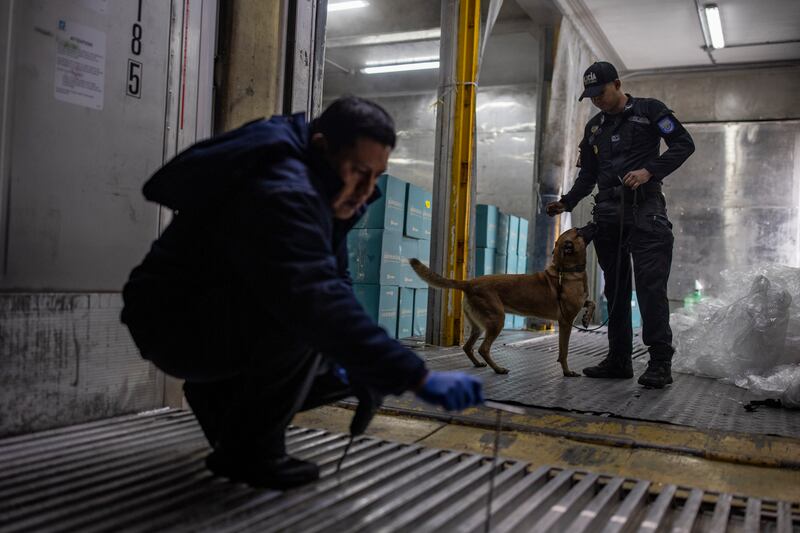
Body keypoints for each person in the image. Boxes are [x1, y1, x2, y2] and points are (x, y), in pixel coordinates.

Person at [121, 96, 484, 489]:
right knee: (304, 323)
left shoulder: (327, 191)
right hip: (173, 324)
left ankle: (220, 400)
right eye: (359, 171)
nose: (367, 190)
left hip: (216, 313)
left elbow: (338, 281)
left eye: (377, 176)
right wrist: (417, 377)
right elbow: (315, 298)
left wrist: (370, 361)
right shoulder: (281, 189)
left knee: (350, 365)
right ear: (322, 147)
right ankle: (248, 453)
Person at [546, 61, 695, 389]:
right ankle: (619, 360)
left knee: (650, 288)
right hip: (609, 215)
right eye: (591, 96)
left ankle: (659, 363)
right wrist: (567, 202)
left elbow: (684, 144)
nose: (596, 100)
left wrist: (649, 171)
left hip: (645, 209)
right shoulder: (594, 128)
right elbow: (588, 175)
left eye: (600, 92)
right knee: (614, 289)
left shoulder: (650, 110)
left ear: (617, 84)